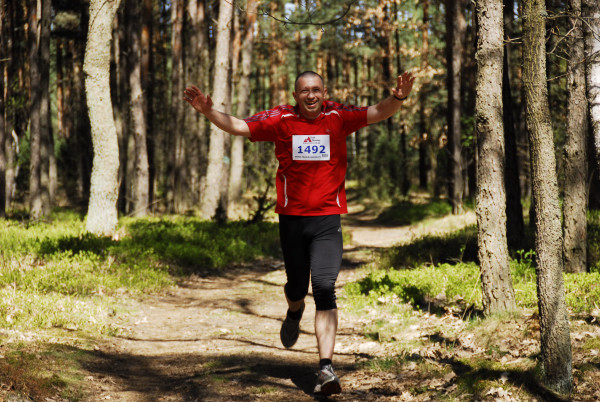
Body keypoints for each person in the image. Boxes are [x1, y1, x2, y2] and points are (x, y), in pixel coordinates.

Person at [183, 70, 414, 396]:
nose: (310, 96)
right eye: (304, 91)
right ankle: (294, 309)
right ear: (296, 94)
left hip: (327, 220)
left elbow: (378, 111)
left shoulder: (338, 115)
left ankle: (325, 368)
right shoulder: (281, 119)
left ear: (324, 91)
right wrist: (208, 111)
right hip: (292, 220)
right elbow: (240, 126)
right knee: (296, 286)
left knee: (323, 286)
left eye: (316, 90)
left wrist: (399, 97)